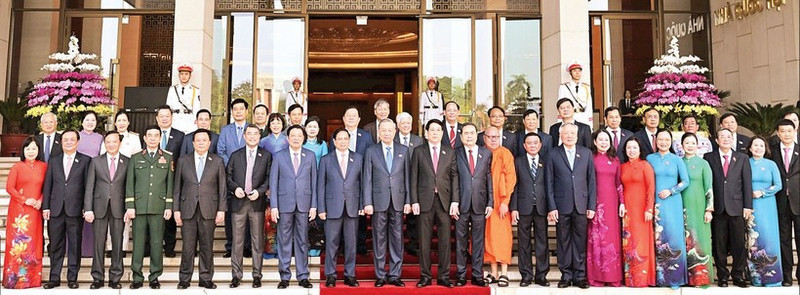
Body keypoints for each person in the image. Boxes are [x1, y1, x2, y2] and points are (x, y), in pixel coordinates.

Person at [173, 129, 227, 290]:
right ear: (193, 142)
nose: (201, 143)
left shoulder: (217, 161)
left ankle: (206, 278)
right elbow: (177, 187)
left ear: (209, 143)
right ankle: (184, 278)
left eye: (204, 140)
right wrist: (176, 209)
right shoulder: (183, 160)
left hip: (209, 209)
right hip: (187, 208)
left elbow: (222, 187)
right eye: (198, 140)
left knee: (206, 246)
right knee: (187, 247)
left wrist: (221, 210)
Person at [545, 123, 596, 289]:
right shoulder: (553, 154)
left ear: (577, 135)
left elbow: (591, 182)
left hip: (581, 205)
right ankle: (566, 275)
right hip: (561, 205)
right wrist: (551, 207)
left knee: (580, 242)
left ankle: (580, 276)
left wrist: (591, 206)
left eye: (572, 133)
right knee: (563, 242)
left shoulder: (586, 153)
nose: (569, 136)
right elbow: (549, 182)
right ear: (560, 135)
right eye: (565, 133)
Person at [411, 119, 458, 288]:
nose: (435, 133)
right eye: (432, 130)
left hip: (444, 202)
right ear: (426, 133)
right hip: (424, 201)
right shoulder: (418, 151)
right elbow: (413, 177)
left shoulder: (450, 152)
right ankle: (425, 276)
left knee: (445, 241)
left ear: (442, 133)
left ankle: (444, 276)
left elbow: (454, 178)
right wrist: (414, 200)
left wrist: (455, 200)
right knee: (424, 241)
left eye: (438, 130)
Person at [126, 125, 174, 289]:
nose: (153, 138)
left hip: (158, 207)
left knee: (156, 243)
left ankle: (155, 276)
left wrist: (168, 205)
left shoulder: (167, 158)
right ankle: (137, 277)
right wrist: (130, 205)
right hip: (139, 207)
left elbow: (170, 184)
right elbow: (130, 183)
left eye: (156, 135)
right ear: (144, 138)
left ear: (160, 138)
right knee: (138, 244)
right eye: (150, 135)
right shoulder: (135, 157)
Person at [363, 119, 410, 287]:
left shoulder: (403, 151)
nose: (387, 133)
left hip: (398, 200)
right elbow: (367, 178)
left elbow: (407, 178)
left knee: (397, 238)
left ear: (395, 131)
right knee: (379, 238)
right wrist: (367, 201)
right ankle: (381, 274)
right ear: (379, 132)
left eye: (390, 130)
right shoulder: (371, 151)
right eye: (384, 130)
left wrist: (409, 201)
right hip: (378, 201)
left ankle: (395, 274)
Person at [42, 129, 91, 289]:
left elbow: (87, 187)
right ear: (61, 142)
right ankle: (54, 277)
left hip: (75, 209)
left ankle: (72, 278)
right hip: (55, 209)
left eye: (72, 139)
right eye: (65, 140)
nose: (68, 142)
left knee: (75, 244)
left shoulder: (85, 160)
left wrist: (86, 207)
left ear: (77, 142)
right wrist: (46, 206)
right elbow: (48, 185)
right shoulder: (54, 161)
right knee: (55, 244)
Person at [704, 128, 753, 288]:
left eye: (728, 137)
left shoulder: (742, 158)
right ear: (716, 140)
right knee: (719, 244)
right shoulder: (708, 157)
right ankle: (723, 276)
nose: (725, 139)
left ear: (732, 139)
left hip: (737, 207)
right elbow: (708, 184)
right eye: (722, 137)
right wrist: (708, 206)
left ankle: (738, 276)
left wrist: (748, 206)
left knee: (739, 243)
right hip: (717, 207)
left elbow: (747, 183)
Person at [269, 125, 317, 289]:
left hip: (304, 204)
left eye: (299, 135)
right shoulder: (279, 156)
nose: (296, 138)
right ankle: (284, 276)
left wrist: (314, 205)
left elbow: (314, 182)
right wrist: (274, 205)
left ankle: (303, 276)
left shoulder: (310, 156)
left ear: (303, 138)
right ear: (287, 138)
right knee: (284, 240)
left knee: (303, 240)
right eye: (293, 135)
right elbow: (273, 182)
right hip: (284, 204)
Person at [226, 125, 271, 288]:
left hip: (257, 203)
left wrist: (259, 192)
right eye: (249, 134)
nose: (252, 136)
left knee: (257, 241)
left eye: (255, 134)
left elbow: (268, 178)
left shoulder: (266, 155)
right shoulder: (235, 155)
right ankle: (236, 275)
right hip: (238, 202)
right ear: (244, 136)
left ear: (260, 136)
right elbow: (228, 176)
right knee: (237, 241)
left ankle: (257, 275)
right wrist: (235, 188)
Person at [320, 128, 365, 287]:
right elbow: (321, 186)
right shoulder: (326, 160)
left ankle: (350, 274)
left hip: (353, 206)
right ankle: (330, 275)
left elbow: (362, 183)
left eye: (346, 138)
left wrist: (362, 204)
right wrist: (321, 208)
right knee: (331, 243)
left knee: (351, 243)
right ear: (334, 141)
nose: (343, 141)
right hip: (332, 206)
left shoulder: (358, 158)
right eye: (340, 139)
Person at [84, 132, 129, 290]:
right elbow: (89, 186)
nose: (111, 144)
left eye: (114, 141)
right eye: (108, 142)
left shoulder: (127, 162)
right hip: (98, 208)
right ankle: (97, 277)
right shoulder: (96, 161)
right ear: (104, 143)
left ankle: (115, 278)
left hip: (119, 208)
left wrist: (129, 208)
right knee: (98, 244)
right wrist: (88, 208)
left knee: (117, 244)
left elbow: (129, 187)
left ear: (119, 143)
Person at [647, 129, 690, 289]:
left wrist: (671, 190)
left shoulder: (677, 160)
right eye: (660, 139)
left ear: (671, 141)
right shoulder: (650, 158)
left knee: (673, 237)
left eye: (666, 139)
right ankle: (660, 277)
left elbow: (685, 181)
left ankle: (676, 278)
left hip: (673, 203)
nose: (663, 142)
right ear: (655, 141)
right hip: (656, 204)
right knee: (659, 237)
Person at [452, 123, 492, 288]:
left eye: (472, 133)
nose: (469, 136)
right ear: (461, 137)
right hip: (461, 203)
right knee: (460, 241)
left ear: (478, 135)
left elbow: (488, 178)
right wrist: (454, 202)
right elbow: (453, 178)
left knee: (478, 241)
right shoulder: (455, 153)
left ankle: (477, 274)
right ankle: (461, 275)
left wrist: (491, 202)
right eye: (466, 133)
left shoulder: (486, 153)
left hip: (480, 204)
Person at [3, 137, 46, 289]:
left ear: (39, 150)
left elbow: (47, 187)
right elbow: (9, 187)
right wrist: (24, 199)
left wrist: (40, 200)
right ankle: (15, 280)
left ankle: (32, 280)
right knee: (18, 244)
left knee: (34, 243)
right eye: (28, 149)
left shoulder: (44, 166)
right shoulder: (17, 167)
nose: (31, 151)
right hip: (19, 213)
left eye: (34, 148)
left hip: (35, 211)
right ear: (23, 151)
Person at [331, 106, 373, 254]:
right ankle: (342, 245)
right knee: (341, 214)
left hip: (359, 180)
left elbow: (369, 157)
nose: (351, 118)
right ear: (343, 118)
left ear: (359, 119)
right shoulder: (336, 136)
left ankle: (360, 244)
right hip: (340, 182)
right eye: (348, 115)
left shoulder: (366, 136)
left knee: (359, 216)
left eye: (354, 116)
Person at [511, 132, 551, 287]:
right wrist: (514, 207)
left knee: (542, 242)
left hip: (542, 207)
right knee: (524, 243)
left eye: (536, 143)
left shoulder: (546, 161)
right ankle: (526, 275)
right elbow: (514, 186)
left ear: (540, 145)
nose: (533, 145)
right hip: (523, 207)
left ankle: (541, 275)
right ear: (524, 145)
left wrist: (551, 208)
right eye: (529, 143)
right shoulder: (518, 161)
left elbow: (550, 185)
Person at [586, 130, 623, 287]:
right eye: (600, 139)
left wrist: (622, 202)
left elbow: (619, 183)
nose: (603, 142)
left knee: (612, 239)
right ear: (594, 142)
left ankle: (613, 277)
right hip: (596, 204)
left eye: (606, 139)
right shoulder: (590, 159)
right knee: (597, 240)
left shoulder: (615, 160)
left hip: (612, 204)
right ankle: (597, 277)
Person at [480, 126, 516, 286]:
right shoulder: (481, 153)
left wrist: (505, 202)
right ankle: (493, 272)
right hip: (485, 203)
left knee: (502, 237)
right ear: (484, 138)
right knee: (488, 237)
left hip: (500, 203)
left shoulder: (505, 153)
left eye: (496, 137)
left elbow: (511, 179)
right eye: (490, 137)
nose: (493, 139)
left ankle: (504, 273)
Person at [746, 136, 784, 287]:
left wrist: (763, 192)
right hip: (750, 206)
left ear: (765, 148)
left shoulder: (771, 164)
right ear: (750, 148)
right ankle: (756, 277)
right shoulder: (745, 163)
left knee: (769, 237)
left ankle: (772, 277)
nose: (758, 148)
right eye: (755, 145)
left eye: (761, 145)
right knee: (752, 239)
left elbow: (778, 185)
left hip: (767, 205)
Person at [620, 137, 656, 287]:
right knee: (629, 242)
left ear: (640, 150)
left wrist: (649, 208)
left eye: (635, 148)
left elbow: (651, 188)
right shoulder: (622, 167)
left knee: (641, 242)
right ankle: (630, 277)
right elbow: (619, 187)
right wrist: (621, 204)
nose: (631, 150)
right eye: (629, 147)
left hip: (641, 211)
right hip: (628, 211)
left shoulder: (645, 165)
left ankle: (643, 277)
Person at [680, 133, 715, 287]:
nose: (689, 145)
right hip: (681, 206)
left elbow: (709, 188)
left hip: (699, 206)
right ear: (681, 145)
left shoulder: (703, 164)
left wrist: (709, 209)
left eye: (692, 142)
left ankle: (701, 278)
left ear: (697, 145)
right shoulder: (678, 162)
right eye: (686, 142)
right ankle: (686, 277)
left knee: (700, 240)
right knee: (684, 240)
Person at [218, 99, 250, 258]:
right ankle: (230, 246)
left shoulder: (252, 129)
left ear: (246, 111)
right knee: (231, 213)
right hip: (230, 177)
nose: (238, 111)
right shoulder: (225, 130)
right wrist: (232, 166)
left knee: (249, 213)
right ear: (232, 112)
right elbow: (221, 150)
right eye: (235, 109)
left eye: (241, 109)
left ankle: (247, 246)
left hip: (250, 176)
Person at [771, 119, 800, 286]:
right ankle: (787, 276)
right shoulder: (772, 152)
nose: (786, 134)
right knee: (784, 240)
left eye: (789, 131)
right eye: (783, 131)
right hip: (780, 201)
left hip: (798, 201)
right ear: (777, 133)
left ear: (794, 131)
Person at [155, 105, 184, 258]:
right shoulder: (150, 134)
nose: (164, 118)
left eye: (167, 116)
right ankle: (152, 245)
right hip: (154, 180)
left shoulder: (180, 136)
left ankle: (170, 246)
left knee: (170, 215)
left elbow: (183, 158)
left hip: (172, 179)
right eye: (162, 116)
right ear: (157, 118)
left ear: (172, 118)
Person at [259, 113, 288, 259]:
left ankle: (283, 250)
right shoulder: (263, 141)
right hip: (269, 179)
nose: (276, 125)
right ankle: (270, 250)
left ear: (283, 124)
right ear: (269, 125)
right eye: (273, 122)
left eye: (278, 122)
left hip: (285, 181)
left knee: (284, 220)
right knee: (269, 220)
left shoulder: (288, 141)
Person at [394, 111, 423, 256]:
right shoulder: (392, 139)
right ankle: (396, 245)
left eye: (408, 123)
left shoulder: (419, 141)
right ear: (398, 125)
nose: (406, 125)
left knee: (414, 217)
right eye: (403, 123)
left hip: (415, 182)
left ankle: (413, 243)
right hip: (397, 183)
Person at [78, 111, 105, 257]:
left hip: (95, 177)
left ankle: (89, 248)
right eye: (87, 120)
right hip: (78, 177)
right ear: (82, 122)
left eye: (93, 120)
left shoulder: (100, 138)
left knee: (91, 209)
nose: (90, 122)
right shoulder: (77, 136)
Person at [166, 63, 201, 133]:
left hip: (189, 122)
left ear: (190, 76)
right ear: (179, 75)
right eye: (182, 74)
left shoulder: (195, 90)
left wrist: (196, 120)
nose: (184, 76)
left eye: (186, 74)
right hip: (175, 121)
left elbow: (196, 107)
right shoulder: (172, 89)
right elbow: (168, 106)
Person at [557, 61, 593, 127]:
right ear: (570, 73)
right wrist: (560, 121)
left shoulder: (586, 87)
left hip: (583, 117)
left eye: (579, 71)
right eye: (574, 71)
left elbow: (589, 105)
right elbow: (560, 105)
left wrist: (590, 122)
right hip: (569, 117)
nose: (577, 73)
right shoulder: (564, 87)